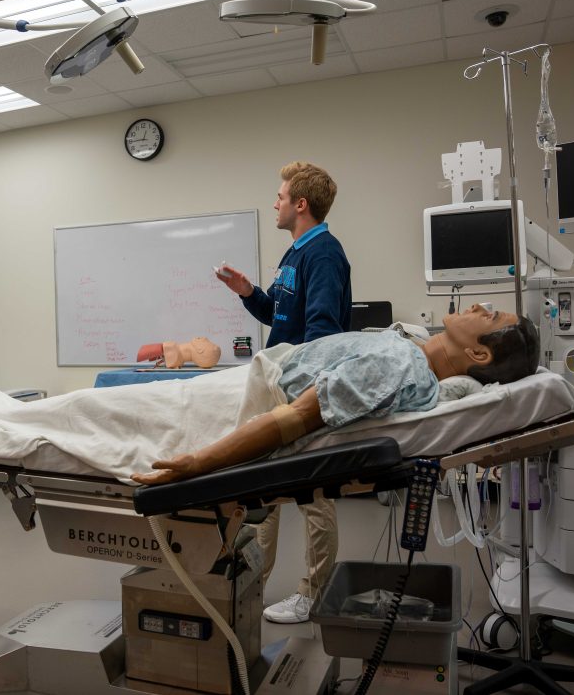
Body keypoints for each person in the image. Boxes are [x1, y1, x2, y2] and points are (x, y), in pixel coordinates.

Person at [131, 306, 539, 485]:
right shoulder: (409, 351)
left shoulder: (399, 364)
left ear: (479, 354)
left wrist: (200, 462)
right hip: (246, 383)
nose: (474, 305)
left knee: (91, 413)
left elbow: (295, 419)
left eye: (488, 314)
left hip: (238, 398)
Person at [215, 161, 351, 624]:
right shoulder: (295, 253)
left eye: (280, 196)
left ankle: (314, 593)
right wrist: (247, 291)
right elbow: (278, 313)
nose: (273, 202)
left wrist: (297, 392)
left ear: (300, 204)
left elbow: (322, 330)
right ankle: (254, 582)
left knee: (313, 496)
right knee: (265, 492)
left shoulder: (325, 254)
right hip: (281, 379)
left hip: (299, 385)